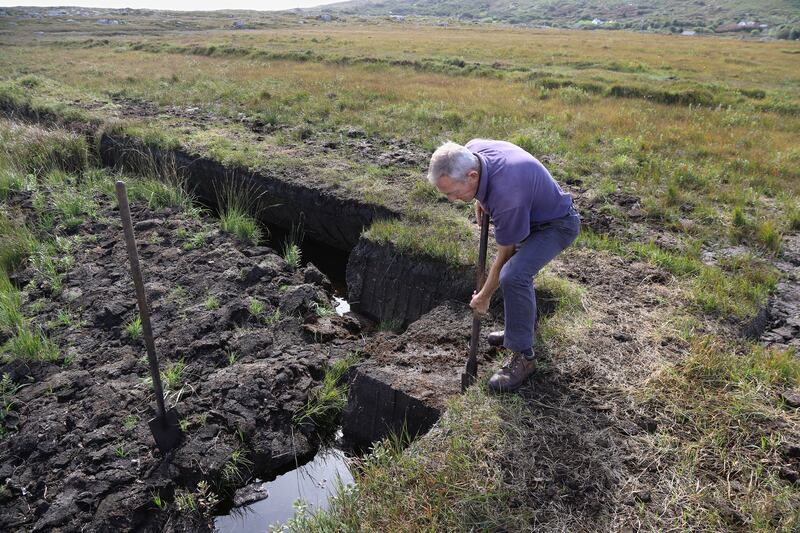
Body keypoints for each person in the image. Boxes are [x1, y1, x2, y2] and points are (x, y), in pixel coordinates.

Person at [427, 139, 581, 392]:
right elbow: (485, 176)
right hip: (529, 212)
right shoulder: (472, 150)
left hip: (556, 224)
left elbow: (506, 254)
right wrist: (480, 197)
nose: (452, 199)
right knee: (516, 274)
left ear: (472, 175)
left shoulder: (507, 196)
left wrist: (484, 296)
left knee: (514, 275)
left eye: (453, 192)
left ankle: (524, 357)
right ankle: (517, 330)